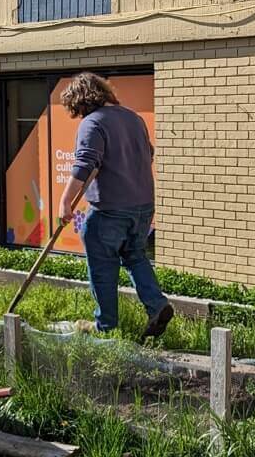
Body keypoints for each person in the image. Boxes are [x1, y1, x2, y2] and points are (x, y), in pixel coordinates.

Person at [58, 72, 174, 337]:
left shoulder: (93, 123)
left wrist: (65, 202)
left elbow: (85, 165)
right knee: (135, 256)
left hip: (109, 210)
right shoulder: (134, 118)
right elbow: (149, 154)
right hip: (143, 205)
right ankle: (157, 305)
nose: (78, 115)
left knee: (103, 267)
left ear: (81, 101)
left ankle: (106, 326)